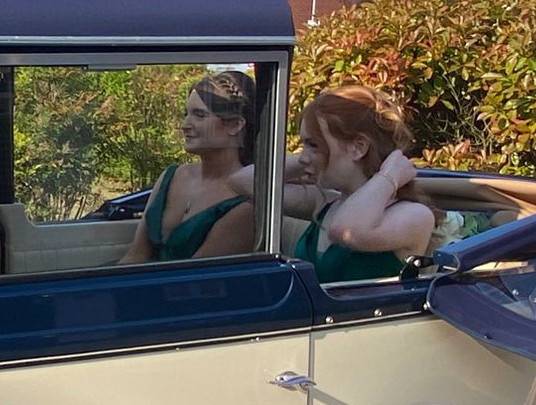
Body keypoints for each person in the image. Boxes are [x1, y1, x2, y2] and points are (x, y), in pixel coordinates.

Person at [277, 85, 436, 284]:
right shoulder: (326, 201)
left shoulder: (414, 215)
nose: (302, 158)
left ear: (358, 147)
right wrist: (312, 161)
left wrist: (389, 176)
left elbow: (345, 231)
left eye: (314, 144)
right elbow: (249, 183)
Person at [117, 70, 258, 264]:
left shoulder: (245, 202)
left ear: (235, 125)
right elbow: (136, 254)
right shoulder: (173, 175)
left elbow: (195, 275)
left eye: (199, 115)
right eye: (186, 114)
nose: (185, 125)